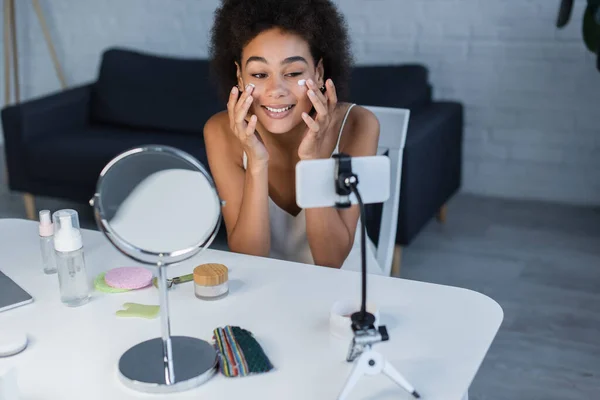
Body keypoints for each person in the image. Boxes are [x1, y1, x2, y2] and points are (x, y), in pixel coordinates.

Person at [204, 0, 381, 271]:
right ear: (239, 76)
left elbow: (330, 260)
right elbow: (249, 258)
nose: (276, 90)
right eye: (260, 74)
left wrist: (314, 159)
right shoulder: (219, 131)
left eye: (294, 73)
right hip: (269, 286)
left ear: (318, 73)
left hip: (348, 289)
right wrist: (257, 163)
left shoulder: (358, 125)